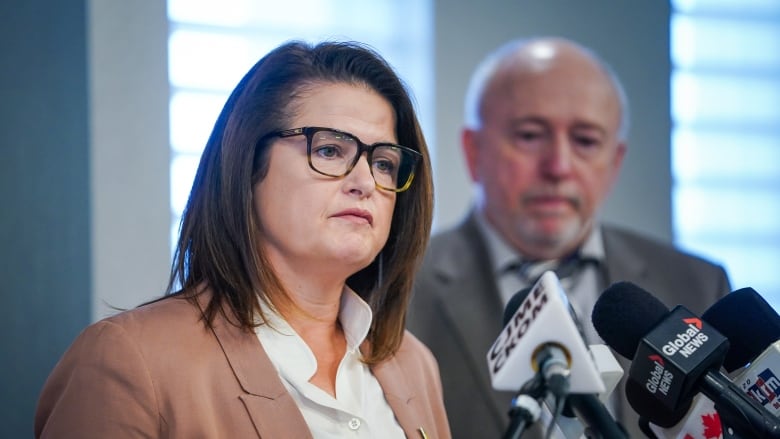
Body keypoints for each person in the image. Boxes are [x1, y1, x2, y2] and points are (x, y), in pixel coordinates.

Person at [35, 40, 450, 439]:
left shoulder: (414, 364)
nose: (366, 182)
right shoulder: (130, 359)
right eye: (329, 151)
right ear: (247, 164)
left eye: (384, 163)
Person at [407, 37, 731, 439]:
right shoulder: (395, 291)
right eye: (529, 135)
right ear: (474, 153)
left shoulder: (699, 283)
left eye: (585, 141)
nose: (558, 166)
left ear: (614, 163)